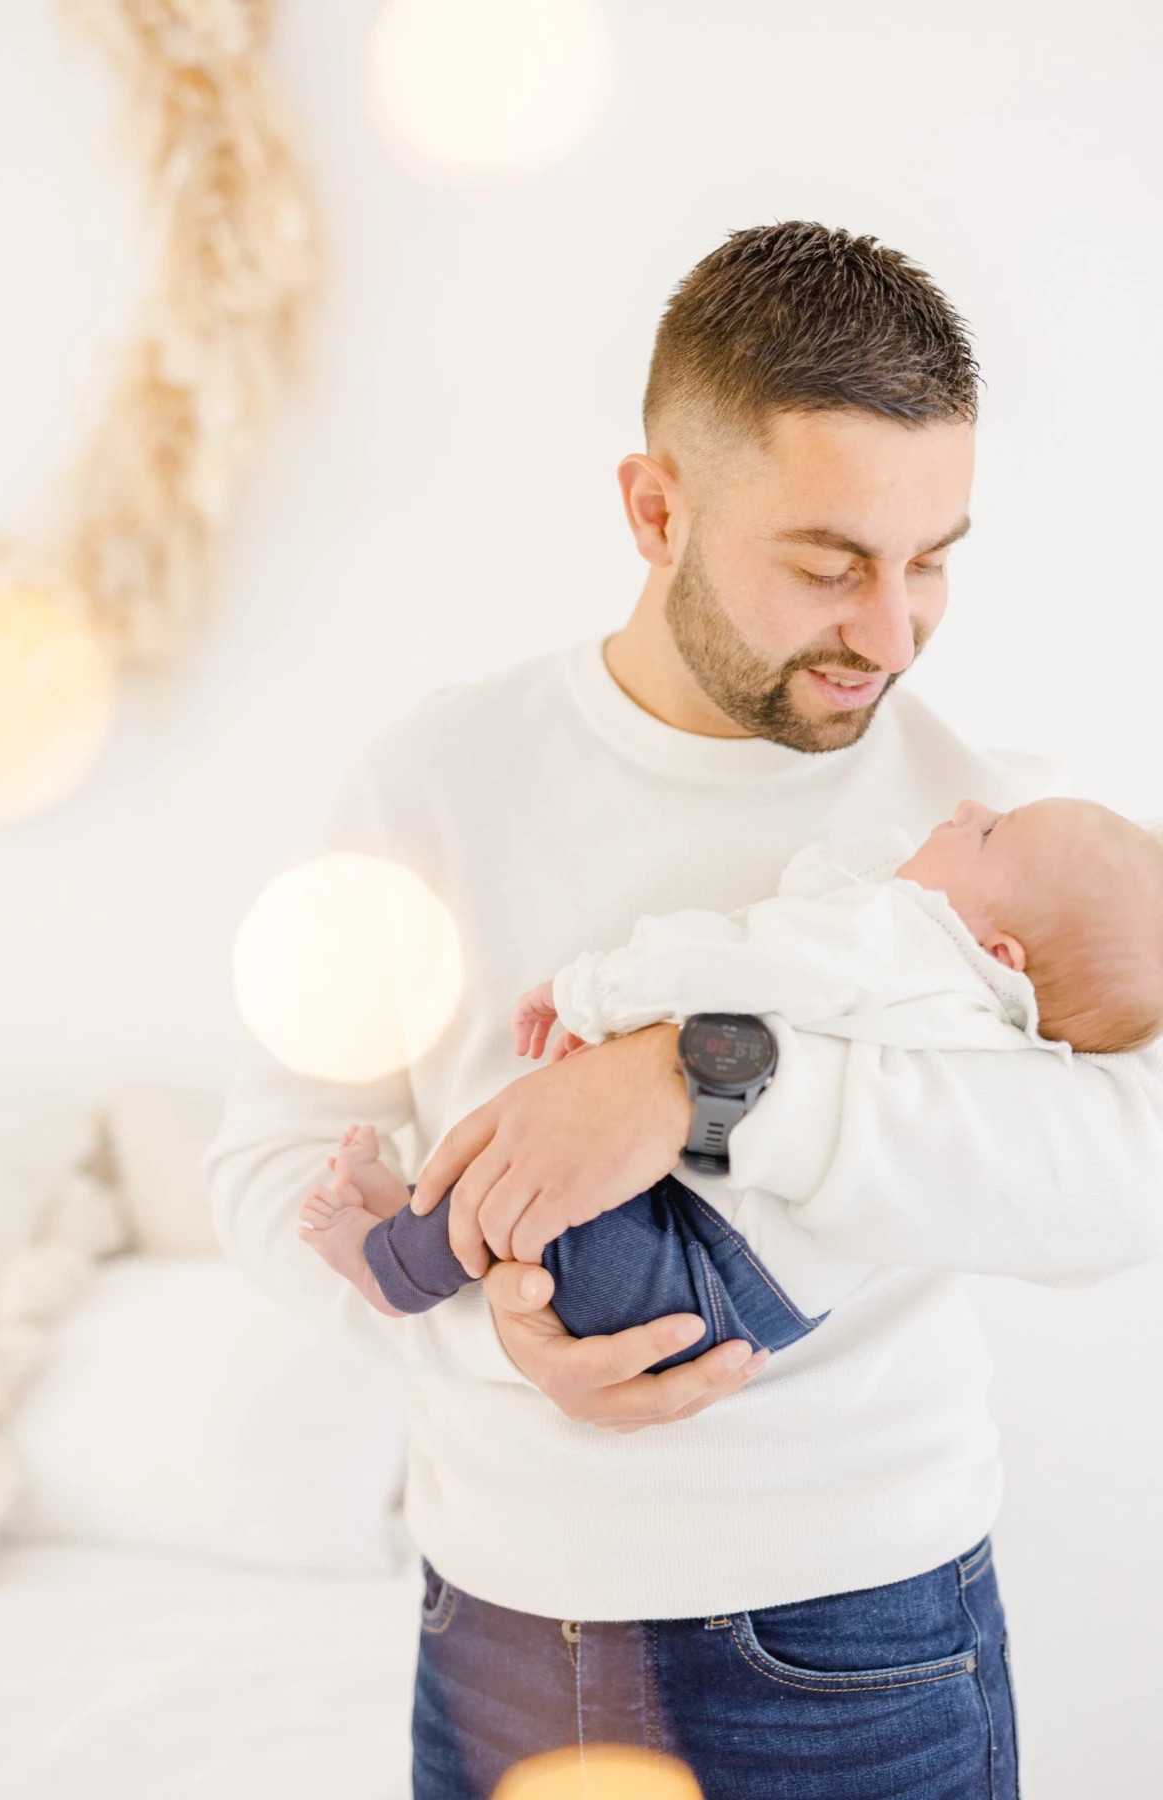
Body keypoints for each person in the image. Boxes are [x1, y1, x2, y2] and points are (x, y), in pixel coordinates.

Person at [201, 222, 1163, 1799]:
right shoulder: (435, 783)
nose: (896, 632)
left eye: (935, 560)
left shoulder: (992, 834)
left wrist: (708, 1077)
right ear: (656, 508)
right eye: (830, 562)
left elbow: (1132, 1176)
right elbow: (266, 1166)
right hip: (500, 1640)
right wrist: (495, 1328)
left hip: (858, 1650)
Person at [296, 796, 1163, 1365]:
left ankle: (393, 1269)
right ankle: (416, 1212)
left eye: (986, 832)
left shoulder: (906, 941)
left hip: (701, 1271)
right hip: (751, 1304)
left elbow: (747, 963)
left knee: (528, 1183)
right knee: (537, 1181)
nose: (968, 806)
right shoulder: (1003, 1031)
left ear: (997, 954)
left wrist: (596, 995)